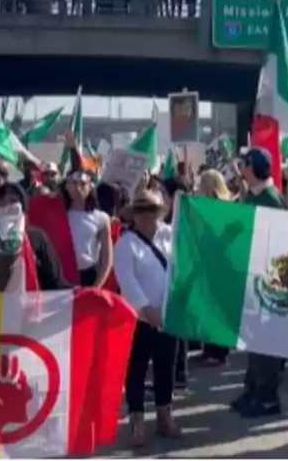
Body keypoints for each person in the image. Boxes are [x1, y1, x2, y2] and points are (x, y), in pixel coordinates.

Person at [114, 188, 179, 446]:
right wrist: (146, 309)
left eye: (151, 211)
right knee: (137, 369)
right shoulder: (125, 243)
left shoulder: (169, 235)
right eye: (141, 211)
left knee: (166, 366)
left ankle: (165, 415)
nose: (146, 216)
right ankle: (137, 420)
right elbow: (127, 280)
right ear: (134, 215)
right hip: (138, 318)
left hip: (168, 314)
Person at [232, 147, 286, 417]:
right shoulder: (255, 196)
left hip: (267, 280)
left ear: (252, 167)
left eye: (244, 163)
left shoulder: (270, 199)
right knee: (252, 338)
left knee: (266, 341)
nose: (240, 167)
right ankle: (252, 388)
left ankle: (268, 396)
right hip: (252, 276)